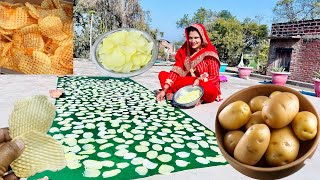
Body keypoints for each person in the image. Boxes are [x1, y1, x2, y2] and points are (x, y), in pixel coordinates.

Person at [156, 23, 222, 104]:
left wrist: (199, 80)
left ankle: (196, 97)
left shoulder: (210, 53)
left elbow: (215, 77)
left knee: (210, 88)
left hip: (203, 85)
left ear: (202, 38)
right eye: (190, 38)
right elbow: (175, 71)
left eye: (196, 38)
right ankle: (173, 93)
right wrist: (164, 90)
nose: (193, 41)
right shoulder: (184, 51)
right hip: (189, 83)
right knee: (163, 75)